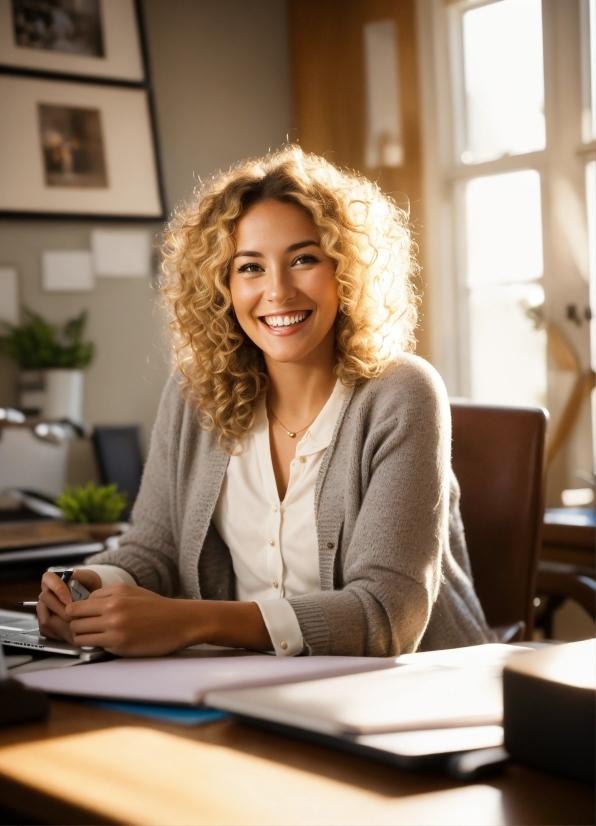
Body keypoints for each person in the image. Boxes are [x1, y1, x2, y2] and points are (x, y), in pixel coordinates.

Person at [37, 146, 492, 658]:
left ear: (346, 271)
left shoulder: (402, 393)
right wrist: (91, 585)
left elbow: (386, 617)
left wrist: (191, 621)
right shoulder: (195, 394)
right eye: (250, 267)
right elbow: (155, 549)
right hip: (245, 688)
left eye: (303, 259)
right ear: (222, 286)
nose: (277, 291)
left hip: (415, 695)